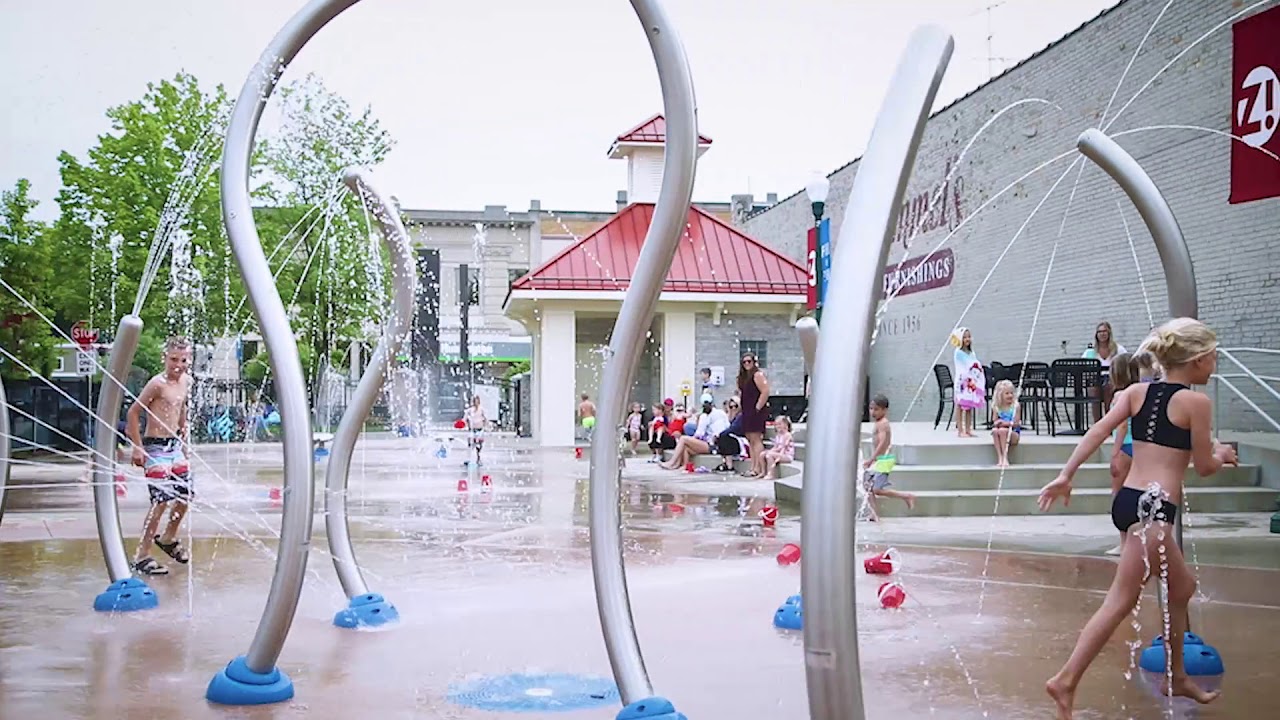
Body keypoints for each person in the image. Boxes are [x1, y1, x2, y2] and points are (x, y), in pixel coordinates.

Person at [1038, 318, 1235, 718]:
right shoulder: (1197, 403)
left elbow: (1096, 431)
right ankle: (1065, 680)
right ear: (1196, 361)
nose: (1216, 359)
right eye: (1213, 353)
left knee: (1182, 587)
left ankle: (1176, 673)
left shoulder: (1135, 393)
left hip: (1130, 501)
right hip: (1155, 510)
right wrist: (1222, 456)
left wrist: (1066, 474)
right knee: (1119, 601)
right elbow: (1204, 466)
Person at [126, 337, 195, 577]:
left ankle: (168, 538)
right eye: (173, 359)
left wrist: (184, 441)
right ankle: (142, 555)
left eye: (183, 360)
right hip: (155, 447)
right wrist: (138, 447)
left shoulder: (187, 381)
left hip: (174, 446)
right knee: (161, 501)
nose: (178, 365)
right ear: (164, 358)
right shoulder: (157, 384)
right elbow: (133, 413)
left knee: (186, 495)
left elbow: (181, 410)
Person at [862, 394, 916, 521]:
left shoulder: (883, 424)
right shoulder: (879, 423)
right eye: (871, 409)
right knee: (867, 486)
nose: (872, 412)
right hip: (879, 460)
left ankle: (906, 496)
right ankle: (874, 514)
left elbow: (882, 443)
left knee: (876, 489)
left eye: (876, 409)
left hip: (883, 460)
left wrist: (871, 459)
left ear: (885, 410)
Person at [1103, 353, 1137, 557]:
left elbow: (1121, 425)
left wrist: (1114, 453)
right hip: (1138, 447)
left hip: (1124, 446)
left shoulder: (1119, 396)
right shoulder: (1139, 392)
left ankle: (1124, 542)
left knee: (1119, 496)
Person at [662, 393, 729, 470]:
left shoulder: (704, 416)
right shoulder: (721, 413)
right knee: (686, 447)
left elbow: (699, 434)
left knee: (683, 439)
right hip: (721, 443)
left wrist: (692, 438)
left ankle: (672, 462)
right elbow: (727, 426)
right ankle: (684, 465)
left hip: (712, 445)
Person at [1083, 321, 1129, 417]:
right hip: (1095, 380)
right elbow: (1082, 367)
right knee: (1094, 390)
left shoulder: (1118, 349)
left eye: (1105, 331)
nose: (1102, 334)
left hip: (1112, 379)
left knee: (1109, 388)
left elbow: (1127, 362)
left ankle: (1110, 422)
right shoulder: (1090, 351)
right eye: (1099, 332)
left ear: (1109, 333)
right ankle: (1098, 424)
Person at [737, 353, 771, 477]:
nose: (747, 364)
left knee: (756, 439)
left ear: (754, 362)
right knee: (750, 439)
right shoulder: (744, 378)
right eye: (744, 362)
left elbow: (765, 391)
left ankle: (758, 468)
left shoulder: (757, 375)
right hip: (746, 410)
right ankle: (753, 466)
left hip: (755, 411)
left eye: (749, 361)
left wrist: (757, 407)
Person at [951, 327, 985, 438]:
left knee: (969, 405)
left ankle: (968, 429)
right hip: (962, 382)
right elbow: (968, 365)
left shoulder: (971, 352)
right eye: (964, 337)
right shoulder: (958, 353)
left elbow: (974, 364)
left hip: (970, 382)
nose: (967, 339)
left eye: (969, 337)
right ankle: (960, 430)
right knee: (960, 405)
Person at [990, 379, 1021, 468]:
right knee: (995, 431)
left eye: (1011, 393)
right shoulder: (996, 407)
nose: (1010, 395)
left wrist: (1004, 423)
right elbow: (994, 421)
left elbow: (1016, 423)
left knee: (1003, 431)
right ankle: (1000, 457)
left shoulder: (1015, 406)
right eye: (1007, 393)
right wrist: (998, 423)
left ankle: (1005, 457)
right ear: (1000, 395)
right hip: (1001, 432)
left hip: (1014, 434)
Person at [713, 398, 744, 473]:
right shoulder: (729, 417)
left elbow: (735, 429)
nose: (733, 408)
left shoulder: (741, 416)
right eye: (731, 407)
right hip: (732, 439)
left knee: (724, 436)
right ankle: (727, 463)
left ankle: (729, 465)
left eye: (735, 406)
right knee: (722, 437)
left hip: (742, 441)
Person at [464, 395, 487, 466]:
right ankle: (468, 459)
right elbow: (465, 418)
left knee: (479, 445)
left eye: (477, 401)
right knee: (470, 444)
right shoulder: (470, 410)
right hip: (472, 430)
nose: (476, 402)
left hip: (480, 429)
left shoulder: (482, 409)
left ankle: (478, 459)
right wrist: (466, 424)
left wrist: (485, 426)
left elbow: (485, 419)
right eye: (474, 401)